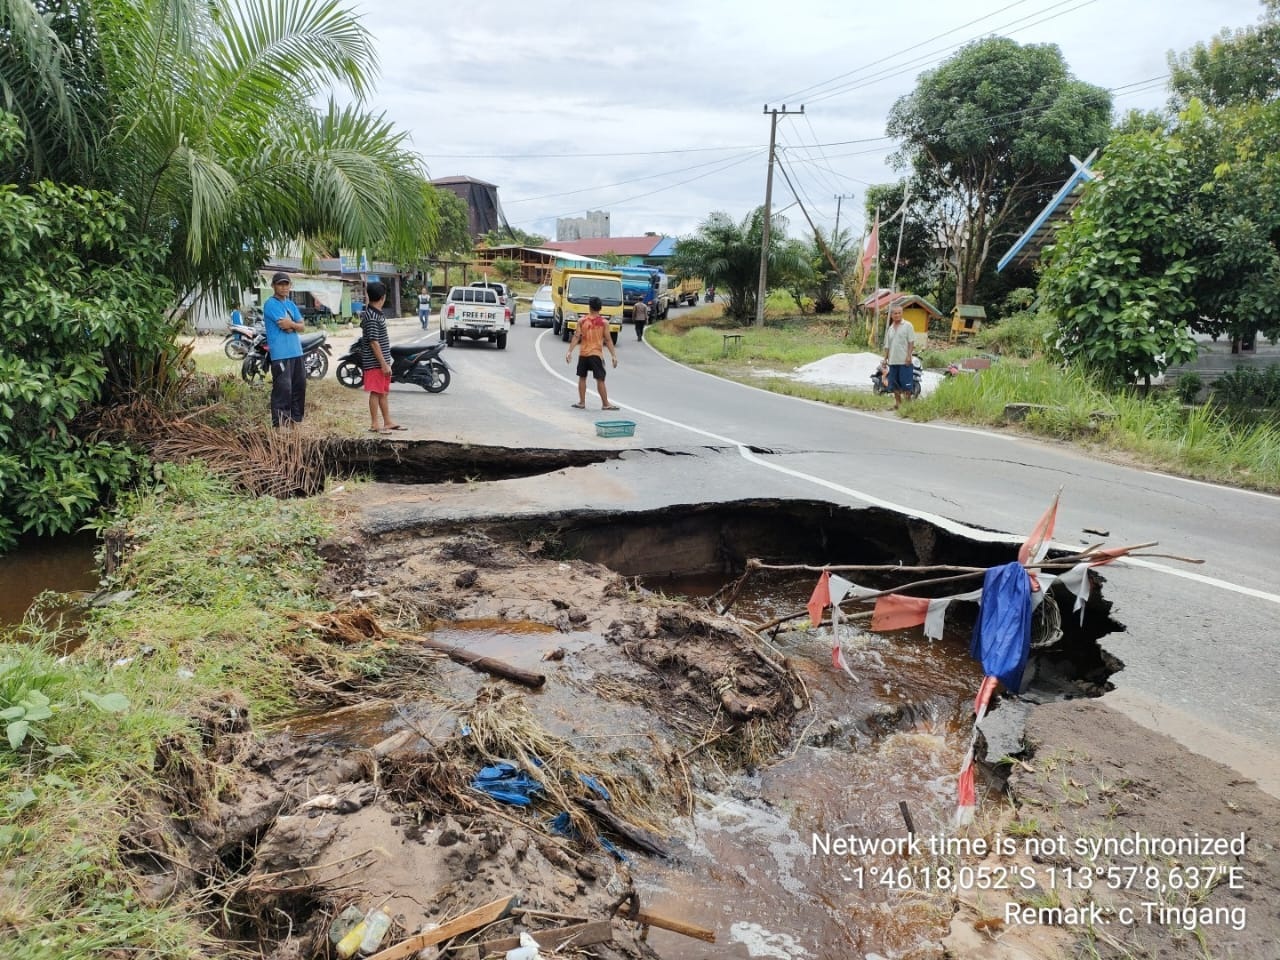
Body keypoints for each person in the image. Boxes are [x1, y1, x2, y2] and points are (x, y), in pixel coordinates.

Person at [262, 272, 307, 426]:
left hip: (296, 352)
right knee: (283, 390)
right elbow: (285, 326)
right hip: (281, 355)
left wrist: (293, 324)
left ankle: (296, 422)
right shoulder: (270, 304)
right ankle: (280, 426)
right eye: (280, 284)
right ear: (273, 286)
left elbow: (301, 326)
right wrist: (294, 325)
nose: (284, 287)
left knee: (299, 387)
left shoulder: (291, 304)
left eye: (286, 284)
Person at [360, 281, 404, 433]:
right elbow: (373, 342)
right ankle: (374, 423)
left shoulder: (376, 313)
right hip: (375, 363)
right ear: (383, 297)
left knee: (383, 392)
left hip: (382, 362)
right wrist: (383, 364)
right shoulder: (372, 316)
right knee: (376, 392)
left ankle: (387, 421)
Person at [565, 296, 619, 410]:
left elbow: (576, 337)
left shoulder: (582, 321)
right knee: (600, 379)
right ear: (600, 308)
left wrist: (569, 351)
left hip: (583, 353)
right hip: (596, 354)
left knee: (582, 377)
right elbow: (608, 340)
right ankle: (605, 404)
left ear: (589, 307)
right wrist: (613, 356)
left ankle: (582, 402)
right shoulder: (604, 323)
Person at [882, 304, 916, 410]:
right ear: (891, 315)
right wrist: (885, 358)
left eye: (899, 313)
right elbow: (887, 346)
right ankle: (898, 404)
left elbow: (911, 342)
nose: (897, 315)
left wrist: (909, 356)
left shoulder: (908, 325)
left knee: (906, 385)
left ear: (902, 313)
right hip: (893, 361)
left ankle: (908, 406)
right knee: (894, 384)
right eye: (895, 313)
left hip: (904, 361)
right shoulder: (890, 328)